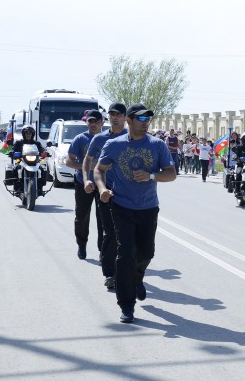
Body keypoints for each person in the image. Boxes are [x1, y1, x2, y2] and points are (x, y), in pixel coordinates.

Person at [94, 103, 176, 323]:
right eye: (141, 118)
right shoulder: (113, 145)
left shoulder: (157, 145)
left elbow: (171, 174)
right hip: (121, 206)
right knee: (125, 252)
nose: (146, 122)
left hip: (148, 207)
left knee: (146, 253)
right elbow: (98, 170)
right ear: (129, 121)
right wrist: (102, 189)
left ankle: (138, 276)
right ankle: (126, 305)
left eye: (148, 118)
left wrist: (151, 176)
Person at [82, 103, 128, 290]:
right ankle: (110, 273)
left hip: (127, 192)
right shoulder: (99, 139)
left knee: (125, 234)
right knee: (109, 231)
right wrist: (86, 180)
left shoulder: (131, 138)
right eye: (111, 114)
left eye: (118, 114)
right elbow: (87, 161)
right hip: (105, 191)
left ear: (126, 117)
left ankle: (127, 269)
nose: (114, 117)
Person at [67, 110, 105, 260]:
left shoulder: (108, 138)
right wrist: (86, 167)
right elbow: (69, 161)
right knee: (82, 217)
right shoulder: (80, 139)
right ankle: (81, 245)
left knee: (103, 218)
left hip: (103, 183)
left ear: (102, 122)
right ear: (87, 122)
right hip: (84, 183)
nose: (93, 124)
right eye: (90, 121)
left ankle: (103, 250)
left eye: (96, 121)